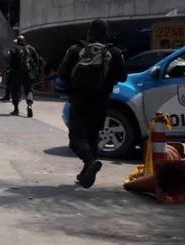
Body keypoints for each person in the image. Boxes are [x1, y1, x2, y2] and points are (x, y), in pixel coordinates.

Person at [57, 19, 128, 188]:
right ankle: (85, 173)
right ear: (106, 34)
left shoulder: (77, 49)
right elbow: (123, 76)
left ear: (89, 32)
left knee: (76, 139)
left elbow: (62, 72)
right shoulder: (115, 52)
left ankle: (90, 162)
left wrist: (71, 86)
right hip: (102, 101)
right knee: (93, 137)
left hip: (80, 99)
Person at [10, 35, 40, 117]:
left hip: (17, 74)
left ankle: (16, 109)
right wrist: (35, 71)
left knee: (15, 90)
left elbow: (11, 63)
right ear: (24, 41)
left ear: (18, 41)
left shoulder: (15, 49)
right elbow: (37, 60)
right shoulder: (31, 48)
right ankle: (29, 105)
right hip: (28, 73)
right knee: (29, 90)